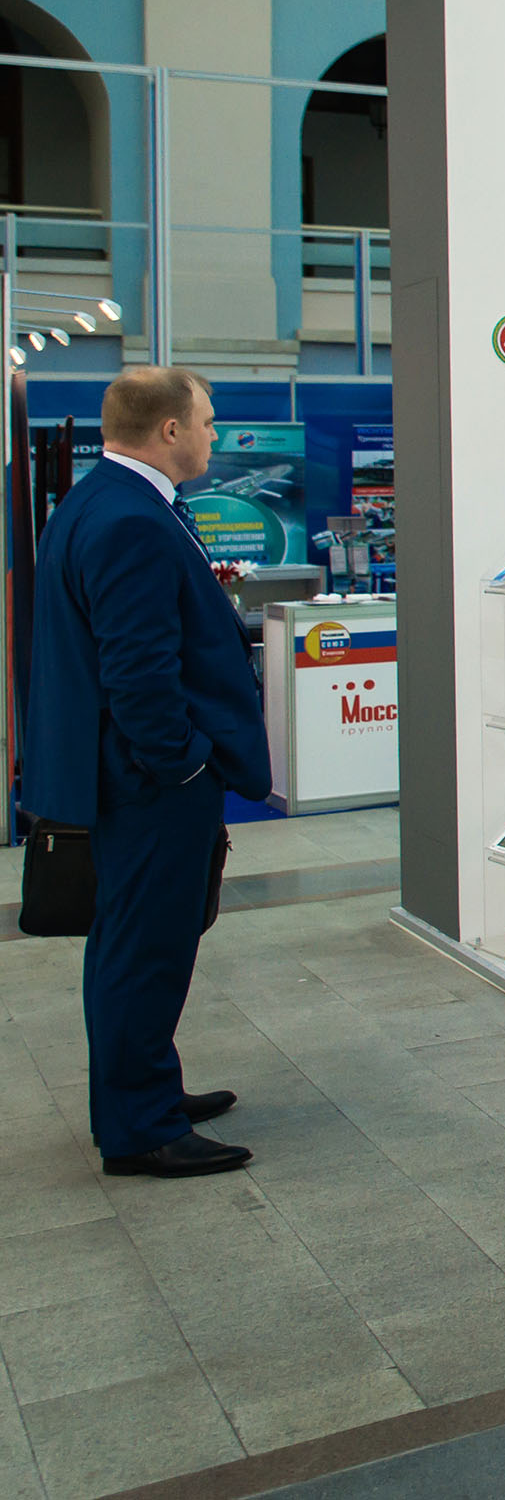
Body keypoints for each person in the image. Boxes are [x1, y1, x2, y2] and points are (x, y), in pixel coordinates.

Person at [27, 367, 267, 1178]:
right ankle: (140, 1127)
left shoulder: (101, 501)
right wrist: (185, 764)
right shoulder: (131, 519)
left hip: (129, 775)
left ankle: (143, 1091)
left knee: (133, 943)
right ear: (169, 429)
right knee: (144, 950)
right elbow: (138, 673)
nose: (212, 435)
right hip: (149, 783)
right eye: (206, 421)